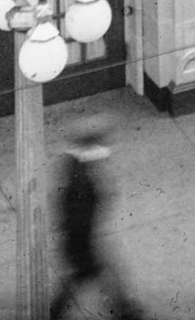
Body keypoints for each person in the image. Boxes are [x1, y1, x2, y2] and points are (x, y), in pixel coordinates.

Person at [49, 130, 137, 319]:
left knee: (85, 276)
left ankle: (124, 309)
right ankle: (125, 311)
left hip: (80, 241)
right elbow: (80, 216)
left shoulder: (77, 177)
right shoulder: (81, 185)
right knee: (101, 273)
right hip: (83, 243)